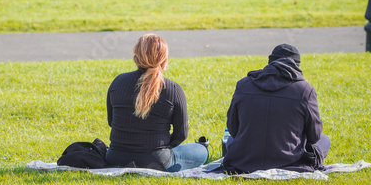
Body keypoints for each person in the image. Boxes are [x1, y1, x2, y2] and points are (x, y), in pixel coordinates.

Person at [105, 34, 208, 171]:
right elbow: (181, 134)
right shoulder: (173, 89)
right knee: (201, 150)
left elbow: (111, 122)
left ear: (136, 57)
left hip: (115, 158)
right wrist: (161, 147)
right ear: (164, 59)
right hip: (157, 161)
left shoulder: (117, 82)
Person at [222, 43, 330, 173]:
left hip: (246, 158)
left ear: (270, 62)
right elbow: (314, 136)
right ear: (297, 65)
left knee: (229, 140)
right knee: (324, 140)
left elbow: (233, 129)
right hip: (291, 160)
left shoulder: (243, 85)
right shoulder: (305, 90)